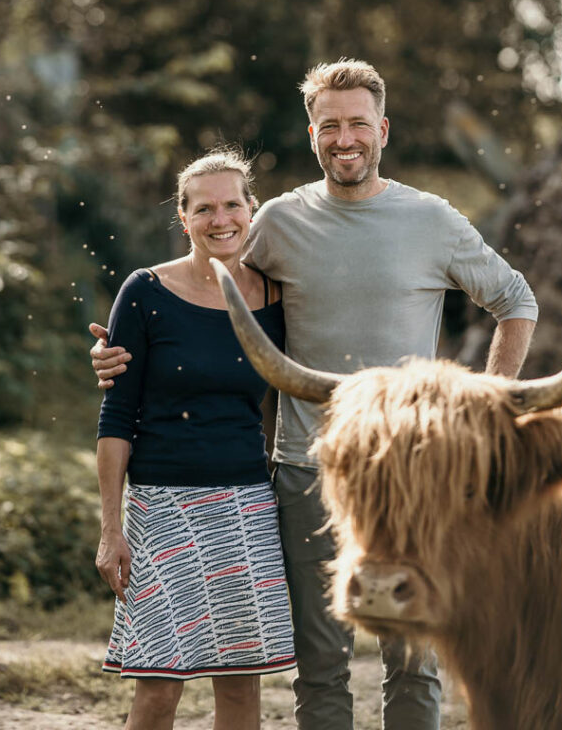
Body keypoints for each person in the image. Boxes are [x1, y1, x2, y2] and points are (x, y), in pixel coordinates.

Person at [92, 59, 538, 730]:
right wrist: (121, 352)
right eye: (330, 126)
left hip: (412, 473)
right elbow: (210, 294)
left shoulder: (430, 219)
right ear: (312, 135)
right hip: (306, 470)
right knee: (321, 664)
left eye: (358, 123)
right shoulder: (277, 221)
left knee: (413, 661)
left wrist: (486, 405)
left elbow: (515, 300)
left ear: (382, 129)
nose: (345, 139)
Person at [94, 149, 295, 730]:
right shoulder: (145, 292)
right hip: (162, 510)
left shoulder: (278, 299)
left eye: (232, 204)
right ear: (183, 219)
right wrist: (111, 529)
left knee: (240, 688)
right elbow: (116, 417)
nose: (220, 219)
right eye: (203, 208)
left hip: (247, 508)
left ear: (252, 210)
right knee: (158, 689)